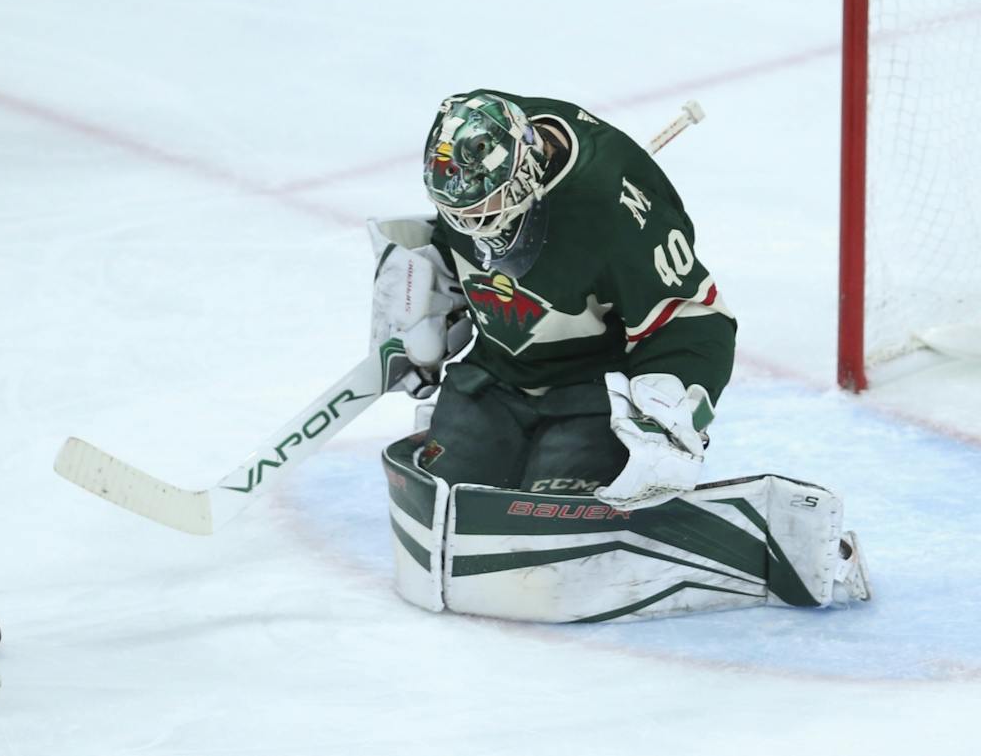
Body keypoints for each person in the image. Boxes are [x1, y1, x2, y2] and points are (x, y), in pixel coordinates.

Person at [371, 90, 869, 622]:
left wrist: (672, 408)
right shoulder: (475, 162)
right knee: (446, 504)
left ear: (526, 177)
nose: (476, 227)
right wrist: (422, 296)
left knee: (543, 538)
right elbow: (448, 243)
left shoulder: (614, 202)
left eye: (487, 211)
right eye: (460, 214)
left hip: (589, 394)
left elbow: (695, 320)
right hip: (493, 375)